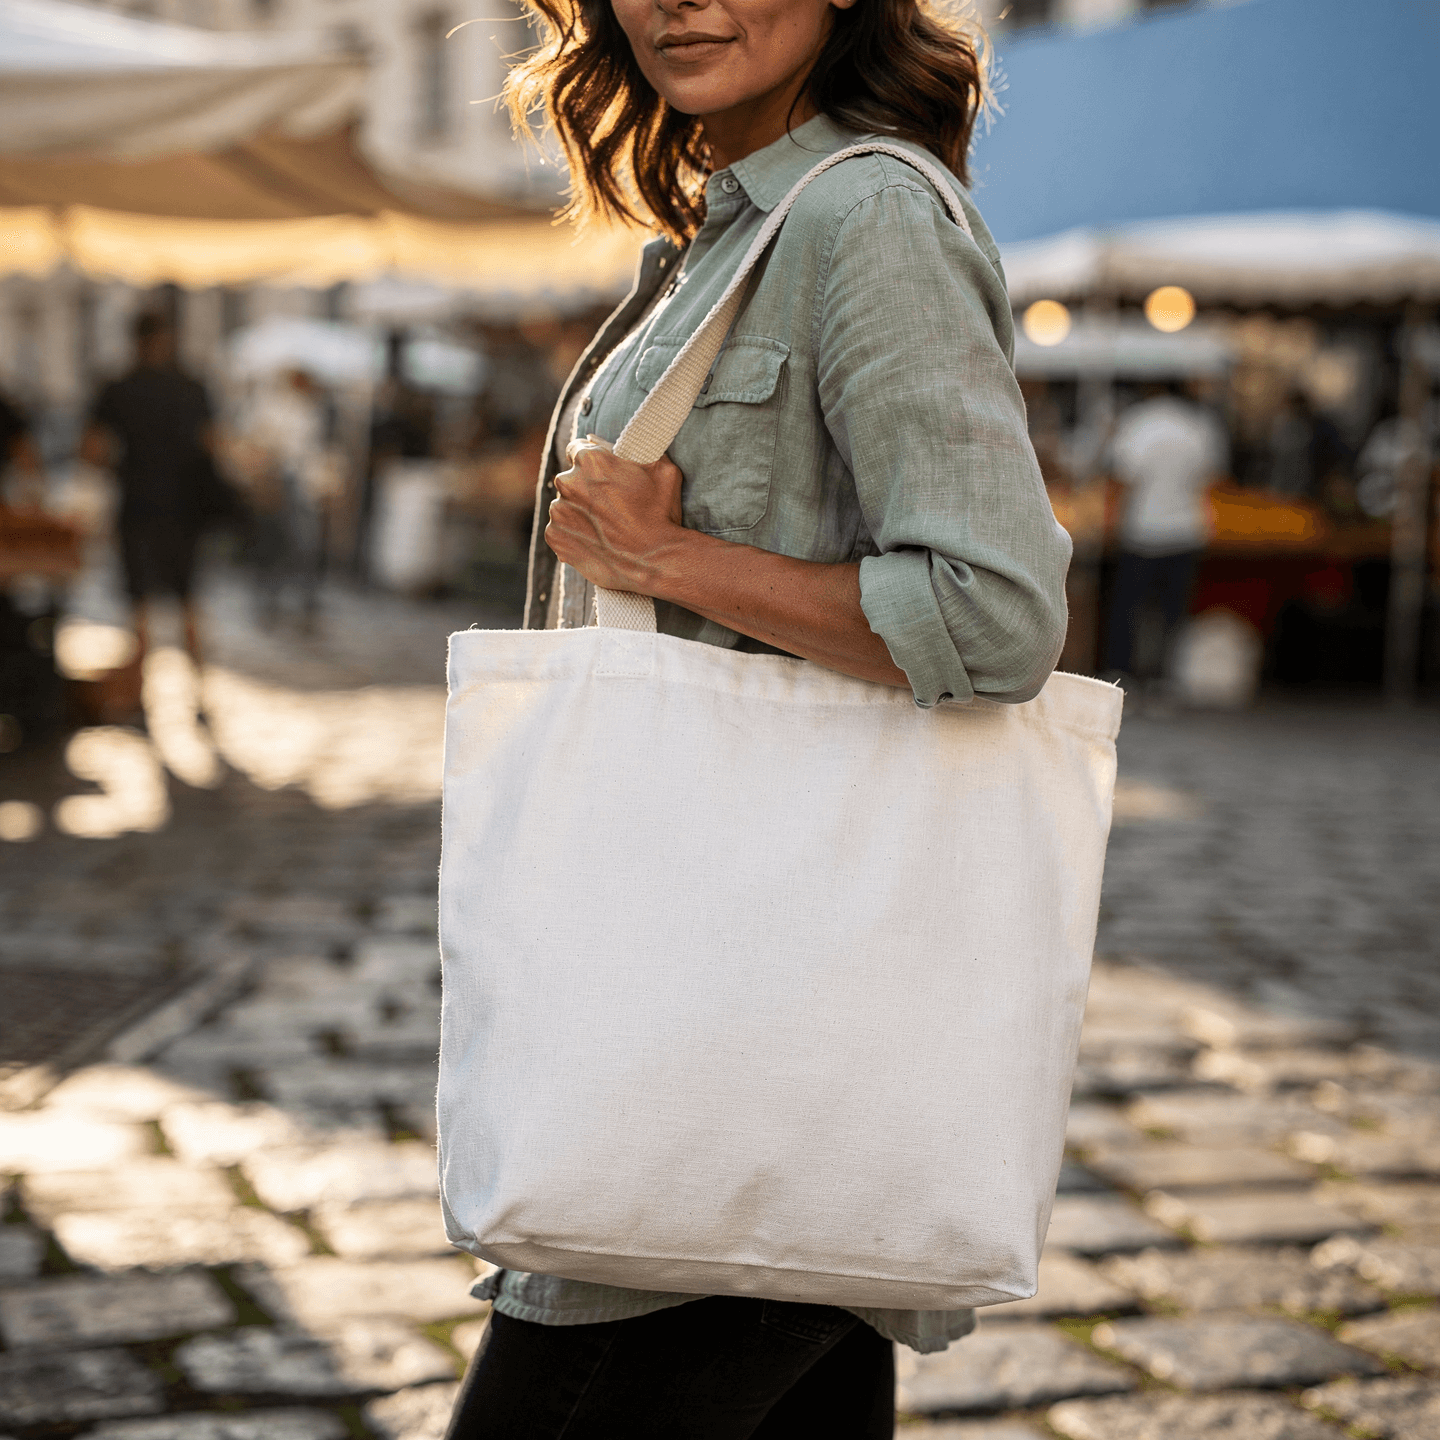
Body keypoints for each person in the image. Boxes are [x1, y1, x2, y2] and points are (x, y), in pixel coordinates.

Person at [445, 0, 1071, 1432]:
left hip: (723, 1032)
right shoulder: (728, 232)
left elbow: (993, 612)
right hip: (736, 1029)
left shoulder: (865, 221)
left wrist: (667, 559)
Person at [81, 312, 216, 669]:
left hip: (138, 504)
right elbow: (213, 443)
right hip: (186, 507)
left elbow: (92, 450)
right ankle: (198, 686)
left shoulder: (119, 387)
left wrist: (121, 467)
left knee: (139, 602)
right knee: (187, 600)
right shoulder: (191, 386)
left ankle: (141, 689)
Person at [1103, 381, 1227, 683]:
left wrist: (1112, 523)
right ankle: (1165, 680)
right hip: (1186, 531)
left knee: (1129, 610)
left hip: (1143, 530)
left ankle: (1123, 675)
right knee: (1174, 613)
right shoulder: (1199, 425)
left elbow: (1123, 478)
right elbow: (1212, 478)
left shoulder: (1138, 423)